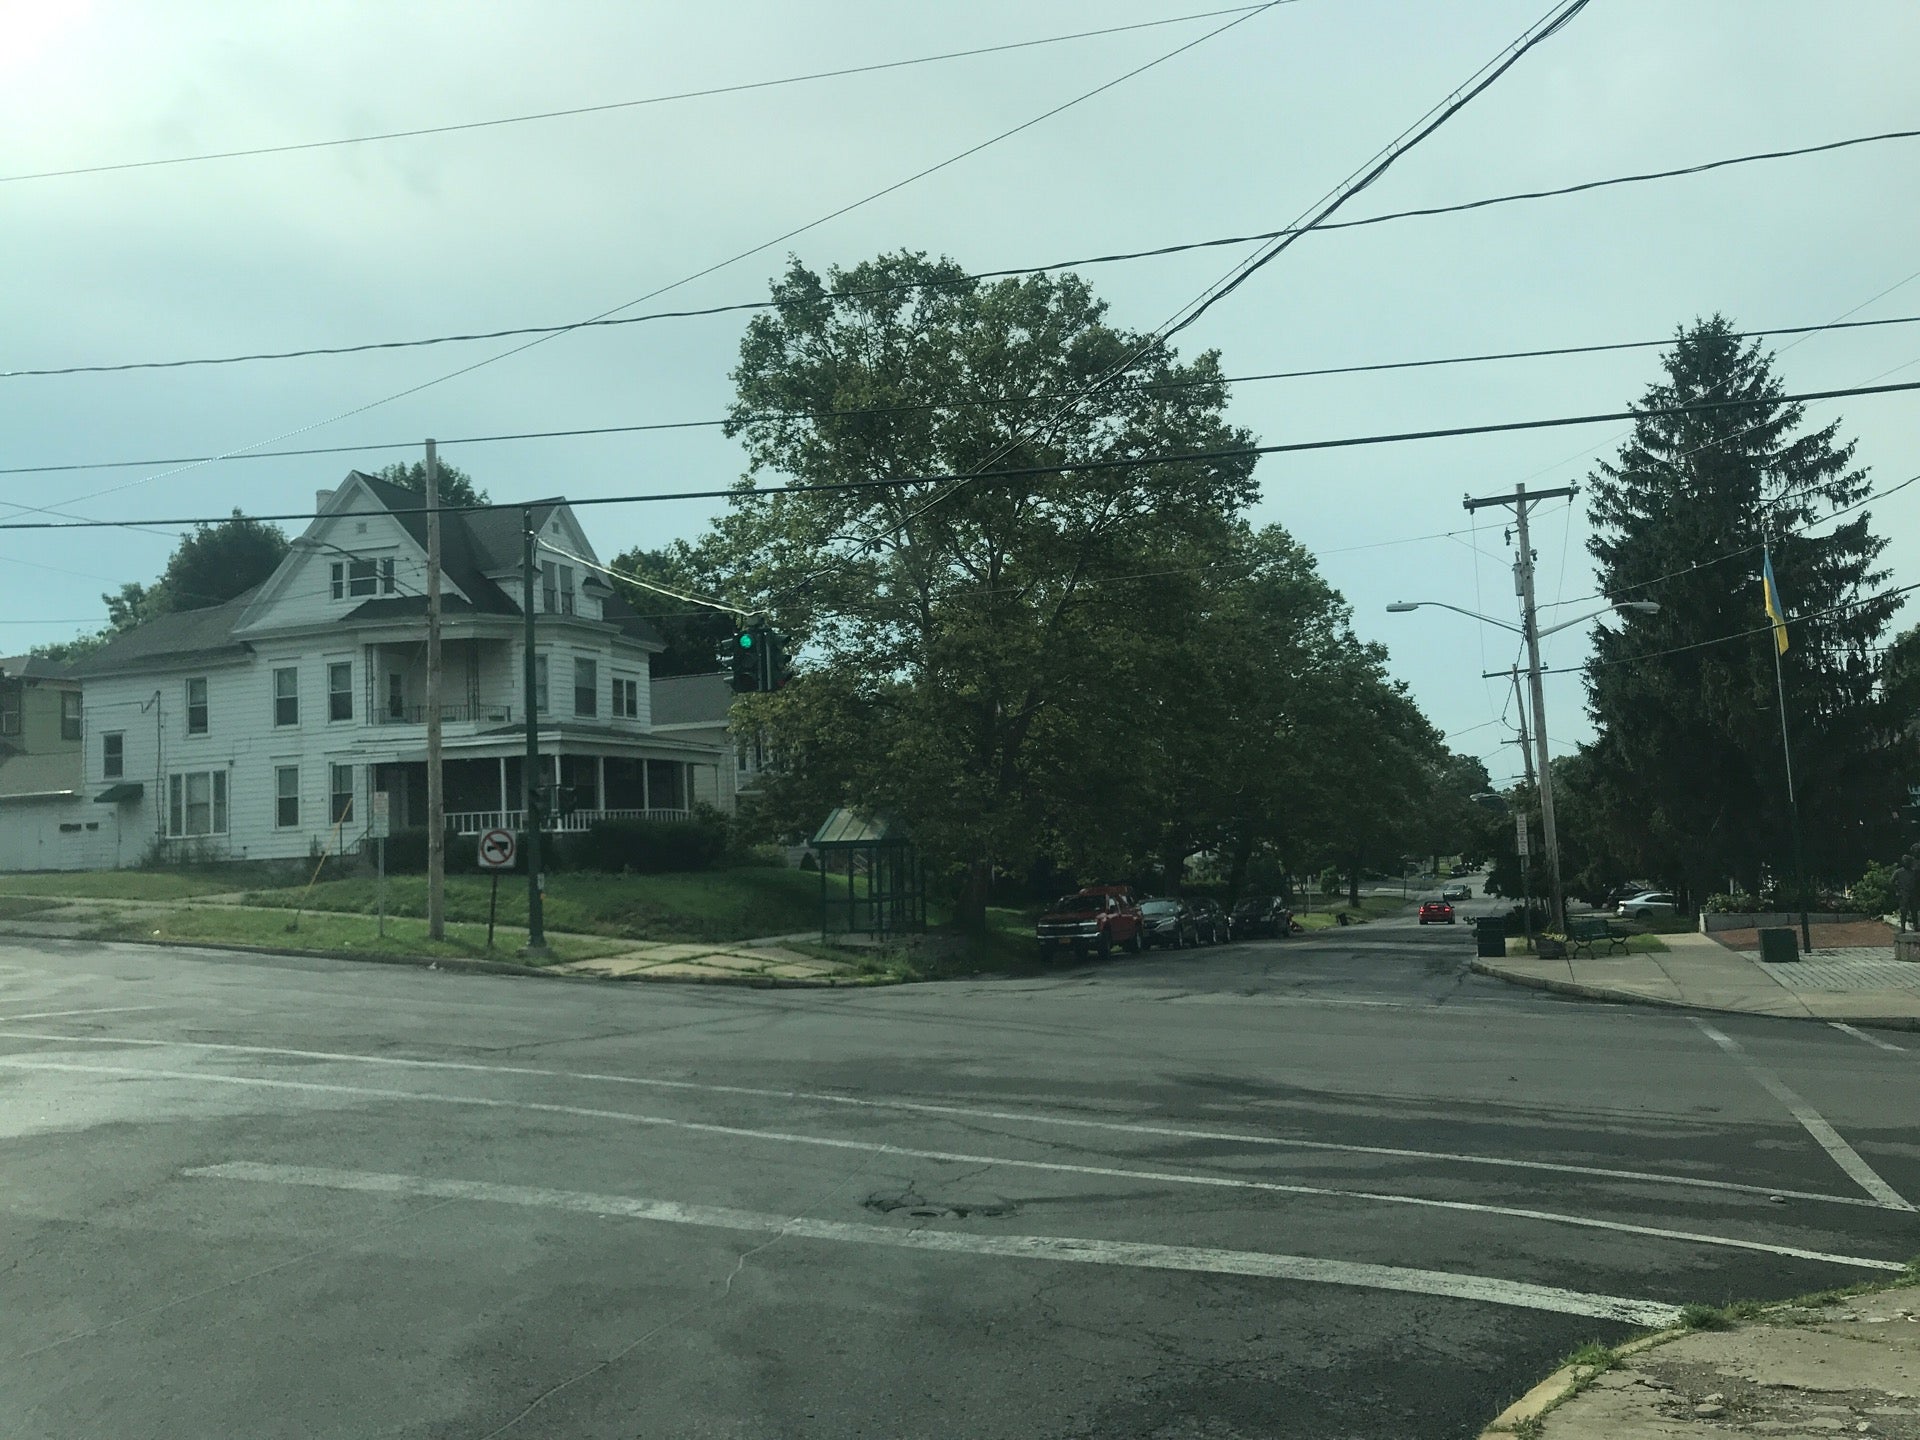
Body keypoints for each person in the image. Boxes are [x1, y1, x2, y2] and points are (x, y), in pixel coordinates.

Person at [1899, 849, 1920, 933]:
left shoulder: (1914, 871)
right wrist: (1898, 890)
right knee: (1903, 911)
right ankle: (1902, 928)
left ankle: (1916, 926)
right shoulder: (1899, 872)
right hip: (1904, 894)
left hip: (1914, 892)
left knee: (1914, 910)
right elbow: (1892, 881)